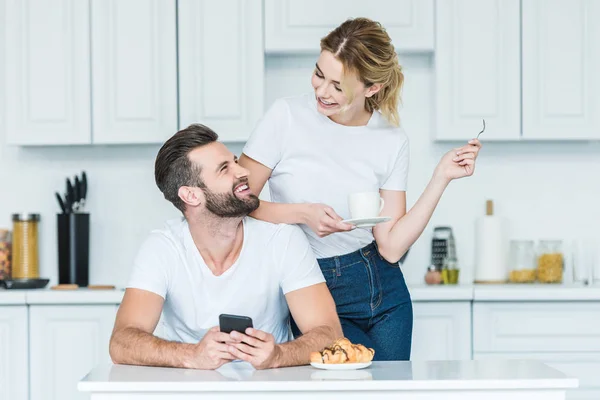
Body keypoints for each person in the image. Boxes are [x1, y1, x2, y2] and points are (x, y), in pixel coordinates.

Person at [239, 17, 482, 361]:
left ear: (371, 88)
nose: (322, 91)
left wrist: (440, 177)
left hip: (383, 288)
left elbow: (392, 247)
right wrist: (302, 214)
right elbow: (237, 201)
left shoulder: (391, 140)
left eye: (338, 86)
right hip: (312, 283)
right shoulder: (286, 117)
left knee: (389, 392)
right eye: (319, 74)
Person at [109, 124, 342, 370]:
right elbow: (122, 342)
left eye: (235, 161)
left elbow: (330, 334)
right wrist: (192, 355)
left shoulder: (283, 239)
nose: (242, 171)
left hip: (268, 390)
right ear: (191, 196)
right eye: (224, 169)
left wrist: (278, 355)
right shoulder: (162, 249)